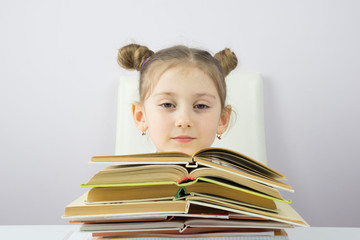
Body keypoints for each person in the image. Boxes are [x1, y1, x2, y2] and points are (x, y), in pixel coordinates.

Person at [117, 44, 238, 156]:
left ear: (222, 119)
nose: (184, 121)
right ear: (141, 116)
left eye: (201, 106)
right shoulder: (125, 178)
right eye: (167, 104)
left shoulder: (238, 178)